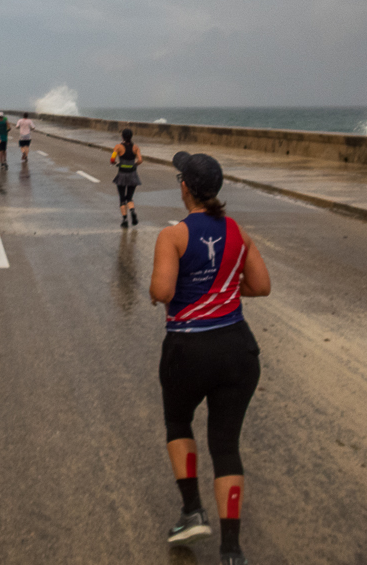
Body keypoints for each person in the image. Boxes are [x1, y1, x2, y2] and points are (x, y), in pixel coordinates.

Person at [149, 151, 271, 565]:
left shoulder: (173, 235)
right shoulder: (239, 231)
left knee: (178, 421)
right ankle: (232, 551)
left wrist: (159, 292)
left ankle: (191, 512)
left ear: (184, 187)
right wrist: (222, 294)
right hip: (238, 348)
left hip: (188, 349)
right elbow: (261, 286)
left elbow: (163, 291)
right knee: (225, 444)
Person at [111, 127, 143, 228]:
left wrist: (116, 163)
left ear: (122, 136)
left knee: (122, 198)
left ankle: (125, 220)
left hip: (122, 175)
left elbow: (112, 159)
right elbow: (140, 160)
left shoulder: (118, 147)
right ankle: (133, 211)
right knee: (130, 197)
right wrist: (135, 165)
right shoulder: (136, 147)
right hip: (132, 175)